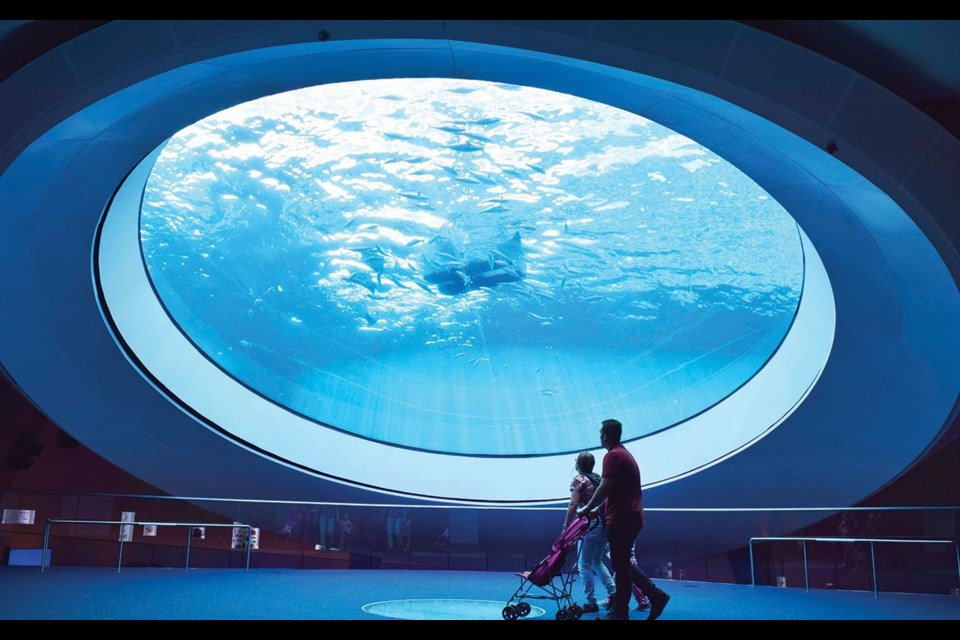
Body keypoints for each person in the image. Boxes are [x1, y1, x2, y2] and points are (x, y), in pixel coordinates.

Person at [577, 418, 670, 620]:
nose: (600, 436)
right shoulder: (623, 454)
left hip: (621, 518)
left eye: (601, 433)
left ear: (605, 436)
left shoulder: (612, 456)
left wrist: (586, 508)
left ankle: (623, 613)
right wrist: (597, 510)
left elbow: (604, 488)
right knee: (623, 565)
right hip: (629, 516)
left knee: (621, 566)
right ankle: (650, 597)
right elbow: (614, 491)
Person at [562, 452, 617, 614]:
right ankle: (614, 594)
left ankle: (591, 602)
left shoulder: (579, 480)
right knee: (596, 560)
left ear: (578, 464)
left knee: (583, 564)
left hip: (590, 526)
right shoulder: (598, 478)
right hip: (604, 524)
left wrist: (566, 527)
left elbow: (573, 504)